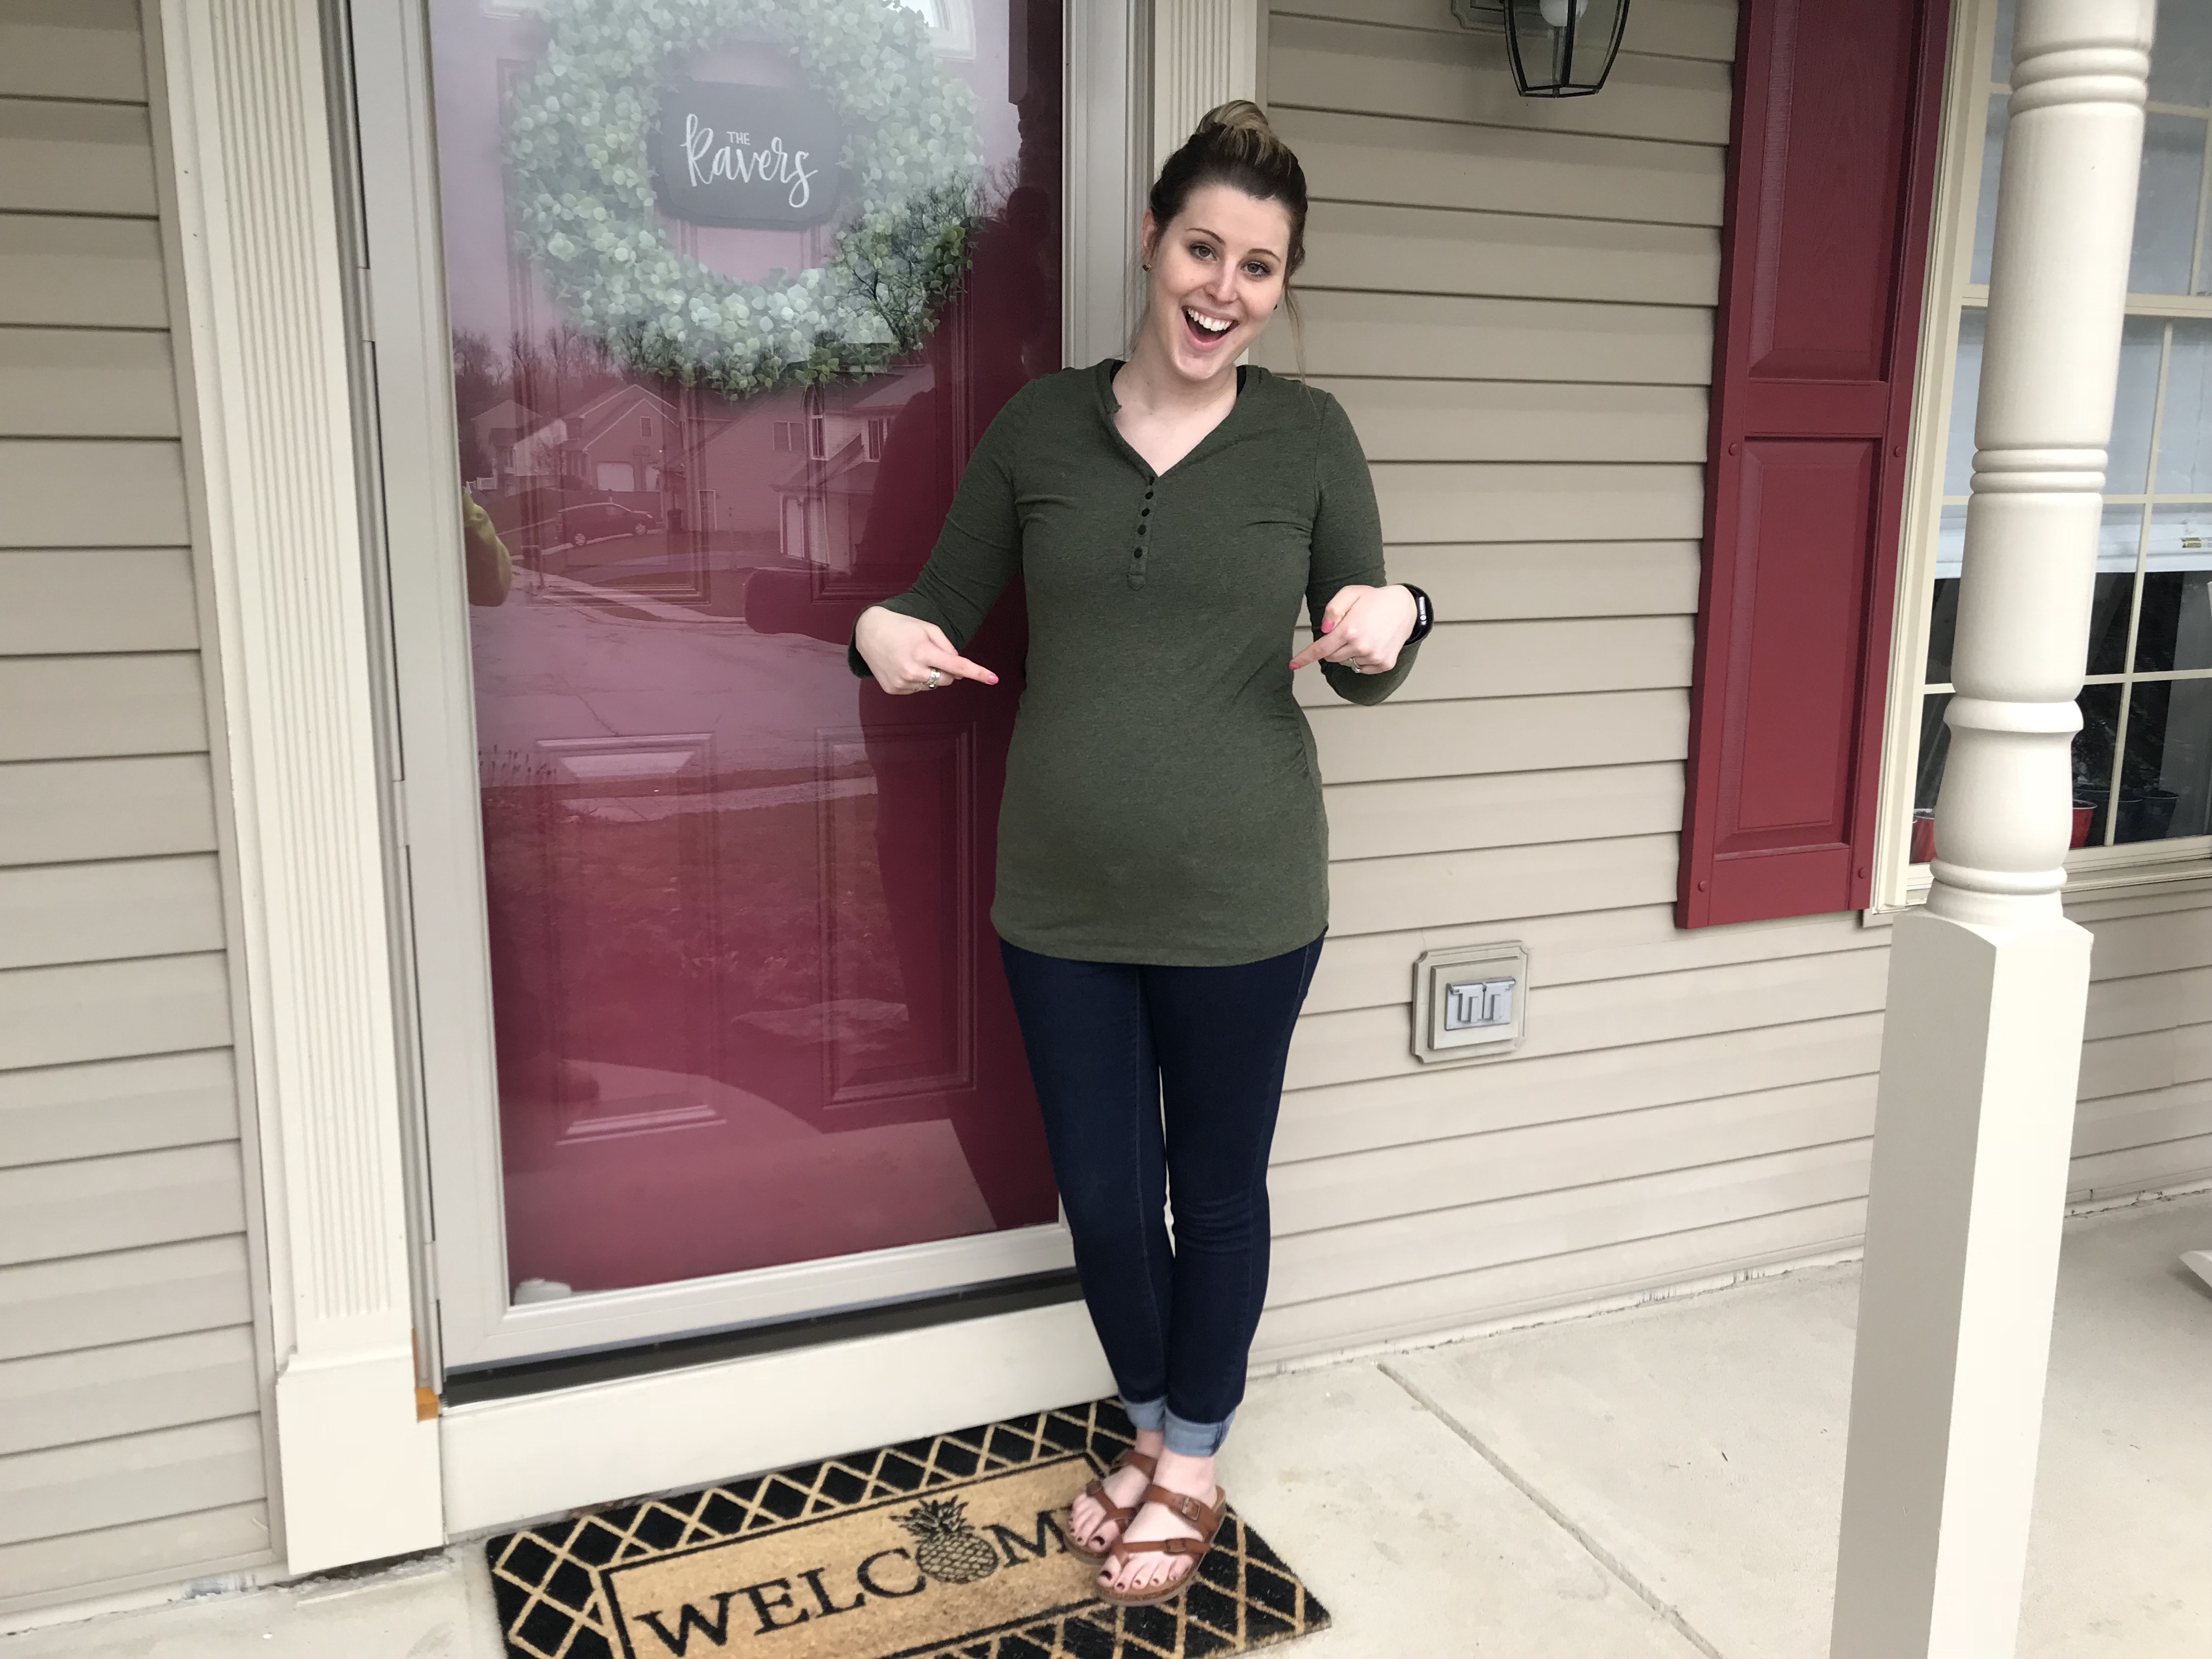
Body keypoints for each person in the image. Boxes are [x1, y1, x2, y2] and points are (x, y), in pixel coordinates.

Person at [849, 101, 1432, 1606]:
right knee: (1104, 1198)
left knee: (1215, 1188)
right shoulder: (1042, 426)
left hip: (1246, 901)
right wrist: (877, 634)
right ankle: (1155, 1424)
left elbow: (1366, 638)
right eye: (1203, 247)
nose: (1224, 288)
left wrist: (1397, 616)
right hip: (1059, 899)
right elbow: (931, 601)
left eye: (1260, 265)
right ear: (1153, 243)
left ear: (1281, 286)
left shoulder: (1310, 437)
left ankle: (1189, 1461)